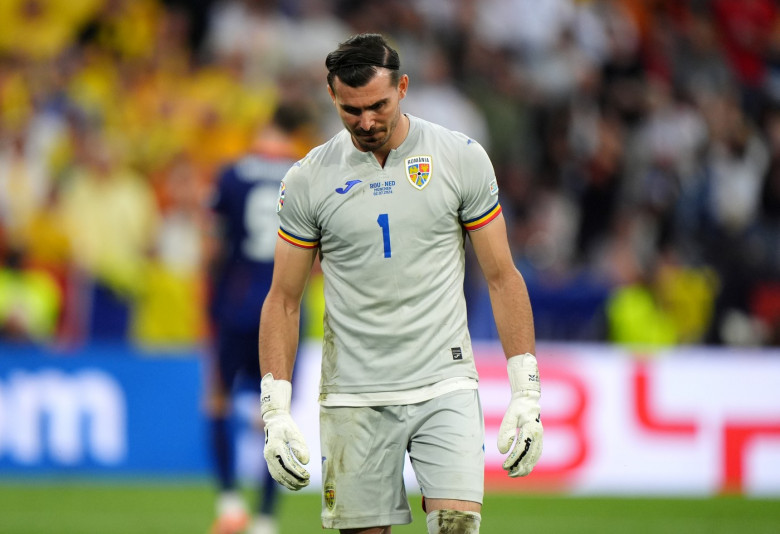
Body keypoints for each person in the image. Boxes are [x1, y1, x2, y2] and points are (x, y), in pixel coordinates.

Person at [258, 33, 543, 534]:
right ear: (332, 97)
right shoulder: (307, 180)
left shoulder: (460, 158)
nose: (366, 121)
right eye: (351, 110)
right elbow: (283, 299)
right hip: (354, 394)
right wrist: (275, 411)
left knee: (457, 526)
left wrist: (527, 393)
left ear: (404, 87)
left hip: (445, 382)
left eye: (378, 105)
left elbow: (502, 277)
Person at [205, 102, 312, 534]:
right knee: (276, 410)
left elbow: (213, 245)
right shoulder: (303, 173)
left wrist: (210, 303)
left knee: (217, 398)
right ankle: (266, 519)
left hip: (235, 301)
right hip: (284, 305)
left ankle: (230, 503)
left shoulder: (232, 174)